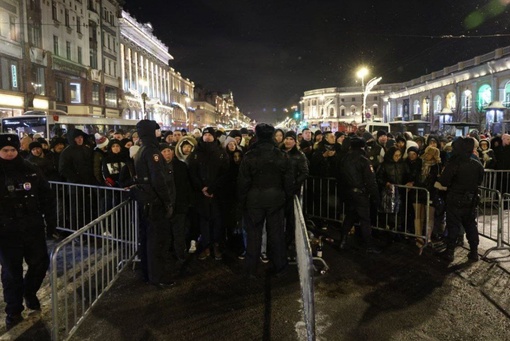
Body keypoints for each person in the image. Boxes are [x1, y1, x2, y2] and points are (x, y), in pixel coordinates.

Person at [0, 134, 57, 330]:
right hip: (6, 232)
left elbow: (47, 197)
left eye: (12, 150)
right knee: (11, 272)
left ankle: (29, 292)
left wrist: (52, 224)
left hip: (32, 227)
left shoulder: (31, 170)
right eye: (5, 150)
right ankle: (13, 310)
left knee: (40, 263)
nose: (9, 154)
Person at [237, 123, 294, 278]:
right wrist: (287, 198)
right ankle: (280, 267)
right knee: (276, 235)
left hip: (254, 200)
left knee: (254, 235)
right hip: (275, 199)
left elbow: (243, 182)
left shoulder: (250, 155)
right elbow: (288, 180)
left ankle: (251, 270)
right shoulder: (281, 155)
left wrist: (241, 202)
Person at [132, 120, 176, 288]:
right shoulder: (151, 151)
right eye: (156, 130)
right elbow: (158, 179)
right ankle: (158, 277)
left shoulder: (142, 149)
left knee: (149, 240)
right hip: (155, 202)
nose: (159, 133)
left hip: (147, 201)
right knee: (158, 242)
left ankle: (149, 273)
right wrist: (167, 201)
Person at [438, 137, 484, 262]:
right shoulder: (477, 164)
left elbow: (444, 181)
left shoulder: (454, 163)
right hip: (470, 199)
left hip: (455, 198)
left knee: (453, 225)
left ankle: (450, 252)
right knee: (470, 225)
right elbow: (480, 180)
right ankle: (474, 252)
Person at [188, 127, 229, 261]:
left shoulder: (221, 153)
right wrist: (202, 188)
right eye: (205, 134)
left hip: (217, 195)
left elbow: (224, 173)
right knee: (204, 222)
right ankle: (205, 246)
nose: (207, 137)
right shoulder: (196, 153)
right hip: (201, 195)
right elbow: (192, 173)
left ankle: (216, 246)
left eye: (210, 135)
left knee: (217, 222)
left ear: (214, 137)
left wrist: (212, 189)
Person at [337, 137, 381, 253]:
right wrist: (376, 197)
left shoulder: (345, 158)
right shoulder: (364, 160)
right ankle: (369, 245)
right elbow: (371, 181)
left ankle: (343, 240)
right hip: (360, 194)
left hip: (348, 192)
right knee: (365, 219)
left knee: (350, 216)